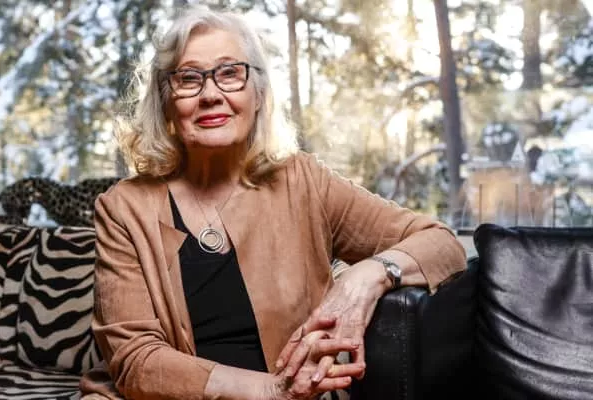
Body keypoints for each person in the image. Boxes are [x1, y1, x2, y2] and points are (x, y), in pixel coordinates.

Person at [80, 6, 467, 400]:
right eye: (189, 78)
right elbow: (137, 362)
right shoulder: (123, 207)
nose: (210, 94)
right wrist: (270, 390)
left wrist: (367, 276)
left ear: (258, 93)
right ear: (167, 101)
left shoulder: (304, 181)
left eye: (230, 73)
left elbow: (442, 244)